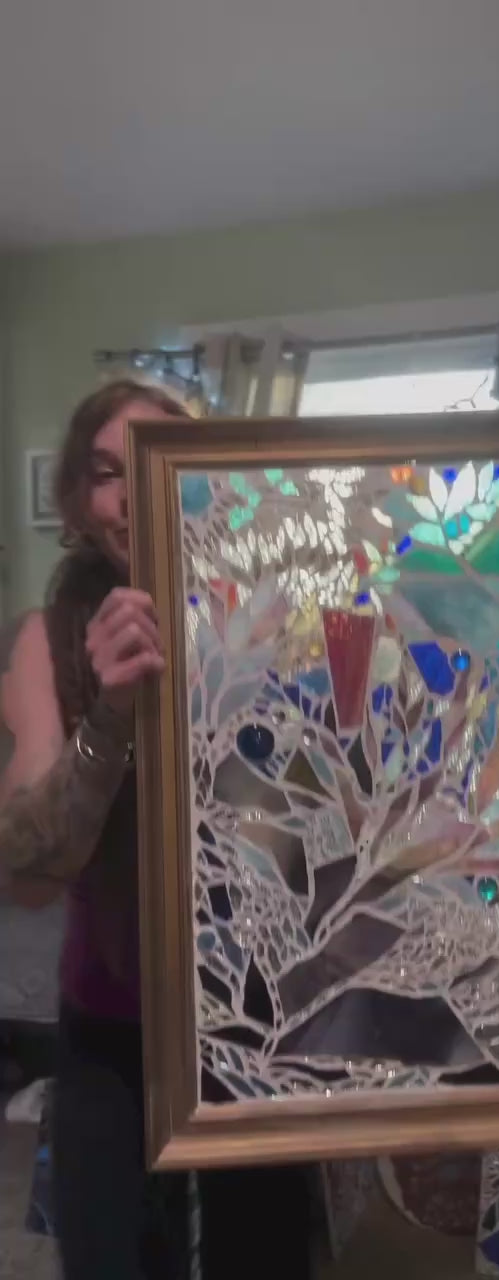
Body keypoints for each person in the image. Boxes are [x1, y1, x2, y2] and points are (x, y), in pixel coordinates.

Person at [0, 379, 313, 1279]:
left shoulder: (282, 628)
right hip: (111, 1028)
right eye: (108, 473)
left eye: (160, 465)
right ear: (76, 500)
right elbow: (27, 874)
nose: (134, 495)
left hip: (260, 1025)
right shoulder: (48, 638)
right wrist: (112, 714)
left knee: (265, 1259)